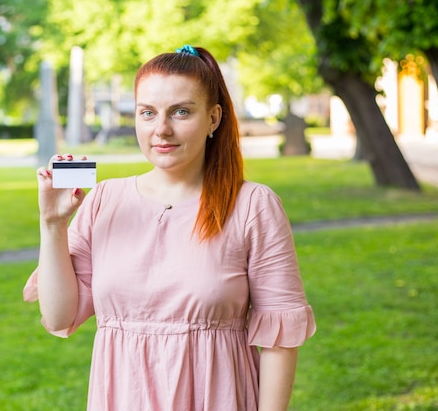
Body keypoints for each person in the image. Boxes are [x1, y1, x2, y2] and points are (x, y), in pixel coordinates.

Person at [24, 45, 316, 411]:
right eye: (147, 113)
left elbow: (280, 340)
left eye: (180, 112)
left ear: (213, 118)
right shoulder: (103, 200)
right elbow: (58, 316)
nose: (161, 130)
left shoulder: (253, 205)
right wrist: (52, 225)